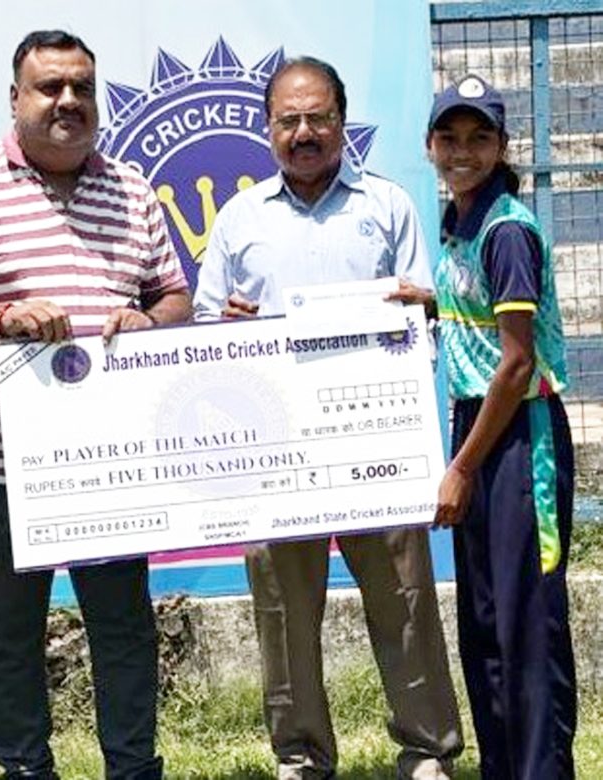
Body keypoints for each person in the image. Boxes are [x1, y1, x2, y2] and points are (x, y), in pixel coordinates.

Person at [0, 29, 191, 780]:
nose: (68, 101)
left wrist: (149, 320)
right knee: (4, 637)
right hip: (2, 470)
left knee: (123, 629)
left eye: (82, 88)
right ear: (15, 98)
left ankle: (133, 767)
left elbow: (175, 295)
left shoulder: (132, 190)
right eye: (50, 87)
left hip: (110, 464)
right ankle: (25, 769)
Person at [192, 57, 464, 779]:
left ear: (343, 123)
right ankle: (301, 755)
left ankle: (426, 750)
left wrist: (419, 312)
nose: (304, 133)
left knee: (404, 599)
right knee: (283, 610)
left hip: (371, 438)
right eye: (289, 120)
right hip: (276, 448)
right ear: (268, 128)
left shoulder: (388, 205)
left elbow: (429, 311)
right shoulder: (240, 218)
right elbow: (202, 326)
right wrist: (227, 328)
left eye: (318, 118)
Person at [428, 74, 577, 779]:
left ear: (502, 146)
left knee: (526, 623)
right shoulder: (460, 219)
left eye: (478, 138)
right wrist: (424, 301)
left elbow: (516, 365)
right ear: (430, 146)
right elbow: (478, 312)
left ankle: (541, 767)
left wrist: (461, 467)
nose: (463, 151)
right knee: (485, 619)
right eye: (449, 137)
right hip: (480, 421)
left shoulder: (506, 229)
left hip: (520, 433)